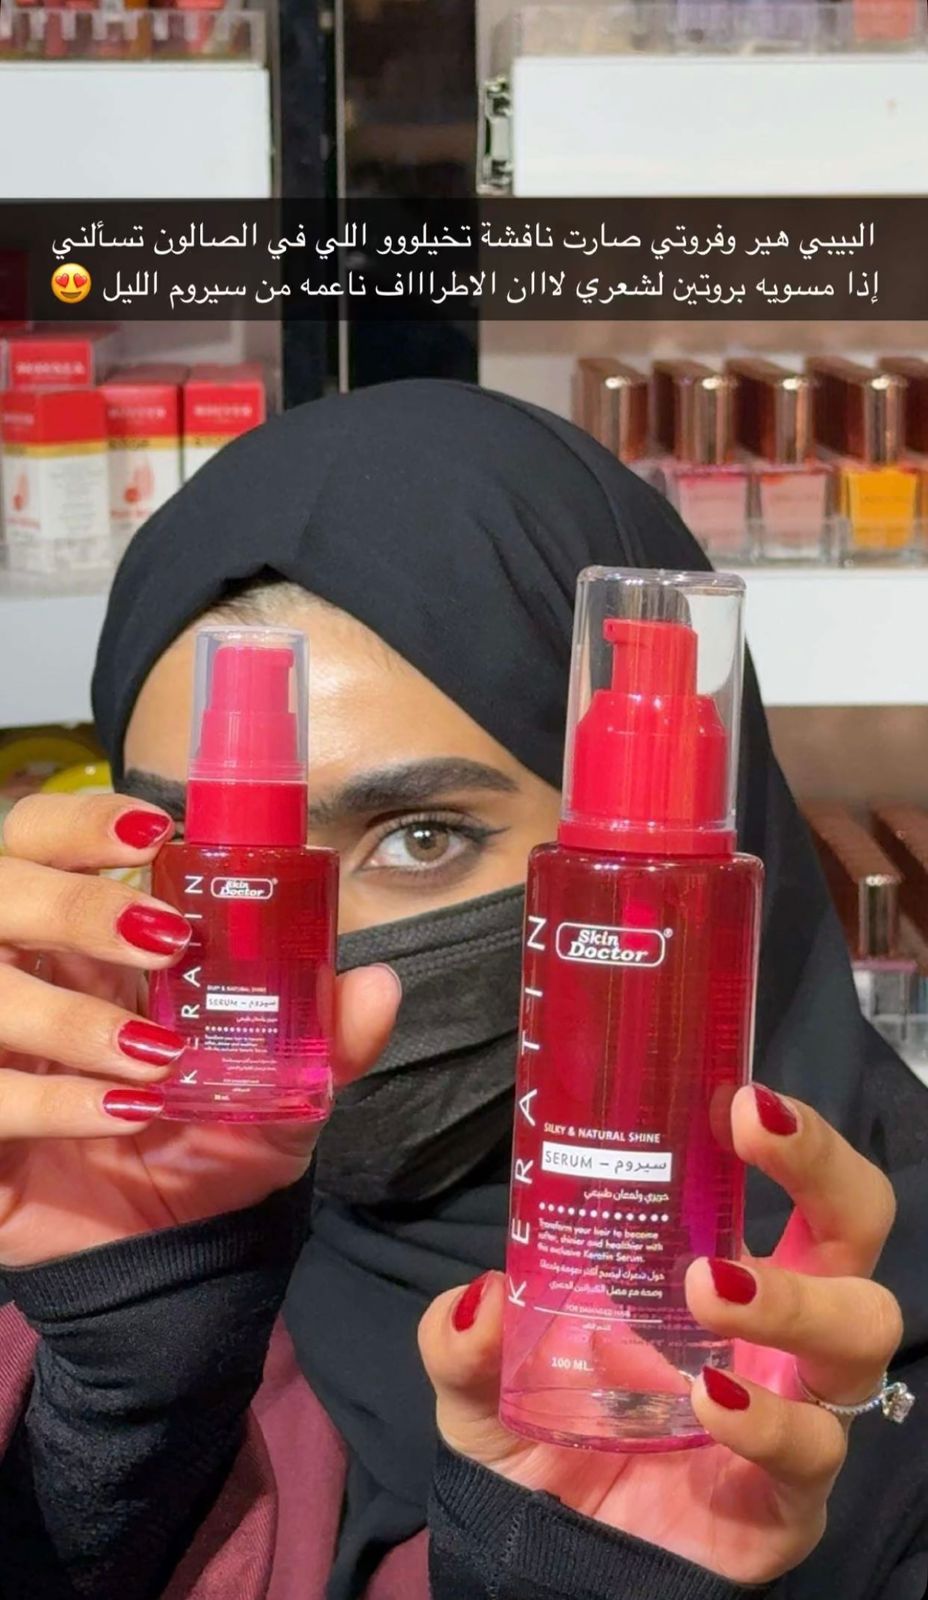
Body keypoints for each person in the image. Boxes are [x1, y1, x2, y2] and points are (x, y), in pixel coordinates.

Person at [0, 380, 925, 1600]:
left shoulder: (842, 1345)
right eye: (209, 853)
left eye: (422, 836)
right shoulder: (73, 1256)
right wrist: (112, 1415)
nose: (312, 958)